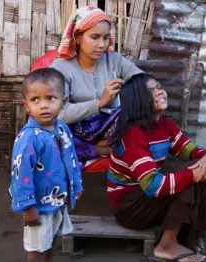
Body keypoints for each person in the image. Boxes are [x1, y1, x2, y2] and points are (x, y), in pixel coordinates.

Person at [107, 73, 206, 262]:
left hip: (146, 199)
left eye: (159, 86)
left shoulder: (165, 125)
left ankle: (191, 235)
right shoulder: (132, 135)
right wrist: (195, 173)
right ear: (138, 101)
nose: (159, 91)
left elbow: (191, 151)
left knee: (199, 169)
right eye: (151, 90)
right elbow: (152, 186)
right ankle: (166, 246)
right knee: (192, 174)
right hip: (130, 209)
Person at [50, 6, 143, 171]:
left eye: (106, 38)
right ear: (78, 37)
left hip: (109, 129)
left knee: (136, 114)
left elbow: (142, 83)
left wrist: (135, 90)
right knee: (51, 134)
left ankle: (102, 148)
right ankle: (97, 150)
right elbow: (58, 113)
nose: (102, 44)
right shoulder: (60, 69)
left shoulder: (114, 61)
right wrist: (100, 103)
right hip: (75, 131)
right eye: (95, 37)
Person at [8, 68, 83, 262]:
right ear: (26, 105)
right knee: (35, 247)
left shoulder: (62, 129)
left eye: (50, 98)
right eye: (35, 100)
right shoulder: (29, 138)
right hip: (38, 205)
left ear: (63, 101)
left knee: (53, 237)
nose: (43, 106)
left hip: (58, 199)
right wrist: (27, 207)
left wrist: (75, 186)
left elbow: (72, 159)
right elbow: (19, 175)